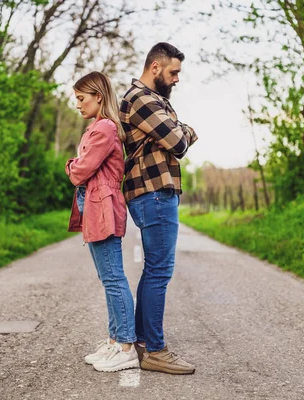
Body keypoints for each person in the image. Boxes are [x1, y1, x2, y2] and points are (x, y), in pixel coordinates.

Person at [119, 42, 198, 374]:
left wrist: (174, 131)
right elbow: (180, 142)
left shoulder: (154, 102)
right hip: (153, 192)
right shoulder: (141, 99)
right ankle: (155, 350)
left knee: (154, 269)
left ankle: (142, 342)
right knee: (159, 271)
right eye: (173, 72)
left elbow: (174, 137)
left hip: (153, 193)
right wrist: (184, 130)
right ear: (155, 67)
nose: (177, 78)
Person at [65, 71, 139, 372]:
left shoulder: (105, 128)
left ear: (99, 96)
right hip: (96, 204)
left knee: (113, 277)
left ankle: (125, 346)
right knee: (107, 278)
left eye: (82, 99)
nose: (79, 105)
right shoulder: (97, 128)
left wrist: (71, 165)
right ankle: (114, 341)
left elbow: (80, 172)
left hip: (103, 205)